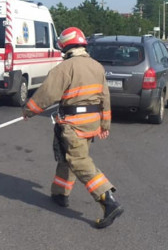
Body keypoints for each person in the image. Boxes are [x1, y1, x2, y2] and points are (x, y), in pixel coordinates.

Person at [21, 27, 123, 229]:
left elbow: (46, 94)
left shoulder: (64, 68)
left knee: (78, 161)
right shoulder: (97, 66)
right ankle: (60, 193)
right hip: (91, 123)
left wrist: (28, 111)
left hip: (73, 123)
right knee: (68, 157)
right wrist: (105, 124)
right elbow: (105, 98)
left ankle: (107, 200)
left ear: (64, 46)